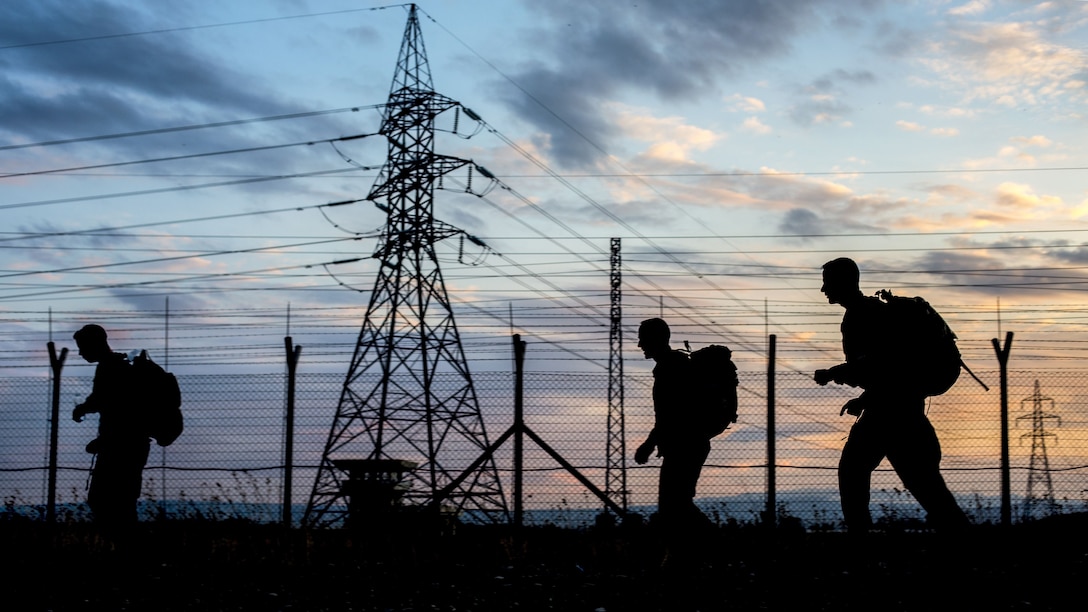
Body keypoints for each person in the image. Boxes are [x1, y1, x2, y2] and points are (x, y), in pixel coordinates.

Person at [814, 257, 969, 534]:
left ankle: (861, 542)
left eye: (828, 282)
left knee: (855, 472)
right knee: (922, 484)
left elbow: (883, 363)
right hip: (897, 408)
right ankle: (964, 538)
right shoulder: (864, 314)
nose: (824, 289)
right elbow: (886, 371)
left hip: (893, 414)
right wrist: (864, 397)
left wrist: (834, 372)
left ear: (844, 282)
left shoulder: (865, 315)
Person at [634, 317, 713, 563]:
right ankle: (688, 556)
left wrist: (648, 444)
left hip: (685, 447)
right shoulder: (673, 365)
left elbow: (670, 414)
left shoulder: (671, 369)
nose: (640, 345)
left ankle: (711, 549)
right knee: (677, 506)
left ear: (656, 340)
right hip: (687, 445)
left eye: (643, 339)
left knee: (675, 506)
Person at [72, 324, 149, 533]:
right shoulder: (119, 366)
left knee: (106, 501)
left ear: (95, 343)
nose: (80, 353)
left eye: (82, 347)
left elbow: (114, 407)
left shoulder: (110, 367)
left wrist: (82, 409)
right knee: (121, 502)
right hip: (131, 445)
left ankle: (123, 548)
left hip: (121, 447)